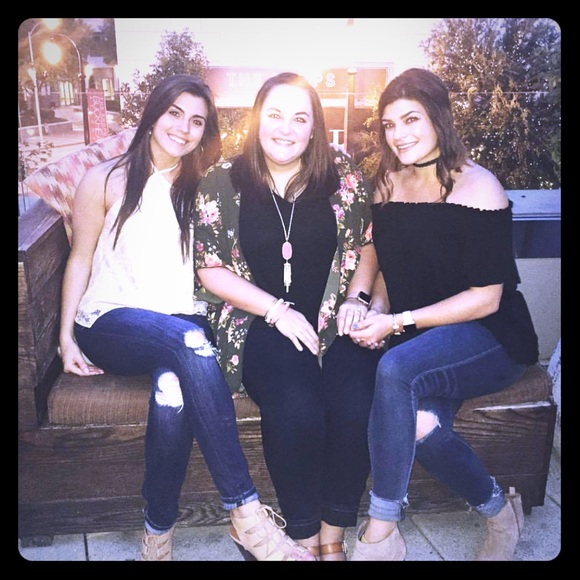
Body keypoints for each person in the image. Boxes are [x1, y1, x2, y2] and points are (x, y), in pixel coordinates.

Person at [58, 74, 315, 562]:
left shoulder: (204, 185)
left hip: (182, 321)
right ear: (153, 113)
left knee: (173, 391)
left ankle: (156, 537)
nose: (184, 127)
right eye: (174, 113)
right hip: (111, 319)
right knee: (191, 343)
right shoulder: (105, 178)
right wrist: (66, 336)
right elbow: (80, 258)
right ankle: (248, 516)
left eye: (197, 121)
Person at [348, 67, 540, 561]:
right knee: (419, 425)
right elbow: (384, 256)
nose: (399, 134)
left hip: (491, 336)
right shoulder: (387, 182)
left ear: (439, 117)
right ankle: (501, 512)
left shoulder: (479, 186)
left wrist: (396, 323)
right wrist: (376, 306)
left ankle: (381, 531)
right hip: (424, 336)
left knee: (394, 368)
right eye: (390, 124)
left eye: (411, 119)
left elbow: (487, 298)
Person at [194, 72, 383, 561]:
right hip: (255, 320)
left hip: (334, 320)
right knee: (297, 402)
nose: (286, 128)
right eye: (274, 115)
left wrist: (357, 299)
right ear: (257, 119)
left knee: (356, 401)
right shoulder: (223, 180)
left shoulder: (342, 175)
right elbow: (210, 268)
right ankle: (301, 538)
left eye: (300, 118)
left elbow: (366, 245)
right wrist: (276, 311)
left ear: (315, 126)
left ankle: (331, 535)